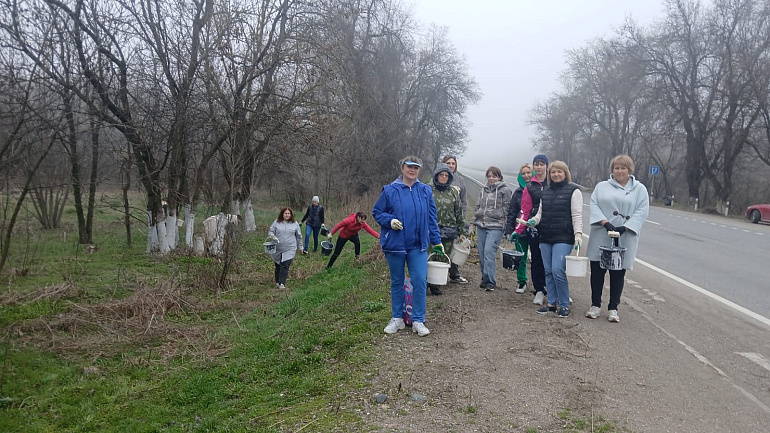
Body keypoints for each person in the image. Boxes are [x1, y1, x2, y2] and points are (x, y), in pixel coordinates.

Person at [373, 155, 443, 337]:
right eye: (409, 166)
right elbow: (377, 212)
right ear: (402, 168)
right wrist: (390, 220)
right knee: (397, 281)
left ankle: (418, 320)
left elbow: (431, 218)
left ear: (419, 170)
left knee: (419, 280)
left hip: (417, 245)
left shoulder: (425, 191)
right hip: (395, 245)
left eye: (416, 167)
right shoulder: (390, 190)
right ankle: (397, 318)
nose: (412, 170)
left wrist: (436, 241)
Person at [585, 155, 649, 323]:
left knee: (618, 273)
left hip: (625, 236)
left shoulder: (639, 189)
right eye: (616, 168)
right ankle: (595, 305)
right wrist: (605, 223)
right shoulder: (601, 186)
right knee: (597, 272)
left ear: (629, 170)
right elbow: (594, 204)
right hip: (602, 232)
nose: (619, 171)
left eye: (623, 168)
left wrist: (625, 227)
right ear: (612, 170)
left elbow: (642, 211)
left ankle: (613, 307)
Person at [535, 160, 583, 318]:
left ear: (565, 173)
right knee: (548, 271)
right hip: (545, 237)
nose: (556, 174)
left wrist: (578, 235)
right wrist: (533, 221)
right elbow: (540, 214)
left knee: (557, 270)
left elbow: (577, 215)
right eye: (553, 172)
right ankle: (551, 304)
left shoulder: (573, 191)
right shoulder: (546, 191)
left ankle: (564, 304)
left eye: (559, 172)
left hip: (563, 237)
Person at [428, 163, 468, 295]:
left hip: (449, 229)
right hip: (431, 229)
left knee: (443, 256)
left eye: (446, 175)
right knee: (429, 255)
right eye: (441, 175)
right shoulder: (428, 190)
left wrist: (462, 229)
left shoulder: (453, 192)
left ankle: (435, 284)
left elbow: (458, 212)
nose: (444, 177)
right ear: (437, 175)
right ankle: (424, 281)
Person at [472, 166, 513, 291]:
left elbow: (507, 209)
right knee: (482, 253)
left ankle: (490, 281)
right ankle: (485, 278)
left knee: (489, 252)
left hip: (496, 226)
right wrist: (473, 222)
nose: (491, 178)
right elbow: (478, 206)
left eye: (494, 176)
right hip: (482, 225)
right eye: (489, 176)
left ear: (499, 177)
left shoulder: (504, 191)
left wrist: (507, 228)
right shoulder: (483, 189)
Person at [504, 163, 536, 294]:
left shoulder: (539, 189)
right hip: (520, 230)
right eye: (523, 173)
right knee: (521, 257)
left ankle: (539, 284)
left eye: (529, 172)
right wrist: (509, 230)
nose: (526, 175)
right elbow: (512, 212)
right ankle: (522, 281)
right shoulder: (517, 193)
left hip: (535, 229)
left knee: (537, 259)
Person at [528, 154, 549, 305]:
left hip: (553, 226)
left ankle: (557, 289)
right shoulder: (530, 186)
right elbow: (525, 207)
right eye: (536, 164)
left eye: (542, 164)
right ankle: (539, 290)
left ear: (547, 166)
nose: (539, 167)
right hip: (535, 226)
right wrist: (520, 227)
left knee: (555, 261)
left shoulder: (554, 182)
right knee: (536, 259)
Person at [267, 207, 303, 289]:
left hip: (290, 248)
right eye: (285, 213)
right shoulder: (276, 222)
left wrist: (300, 247)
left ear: (291, 215)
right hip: (277, 248)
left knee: (285, 265)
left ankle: (282, 283)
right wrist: (272, 237)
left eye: (288, 213)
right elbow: (270, 231)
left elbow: (299, 236)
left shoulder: (295, 223)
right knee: (278, 265)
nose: (287, 215)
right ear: (282, 214)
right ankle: (277, 281)